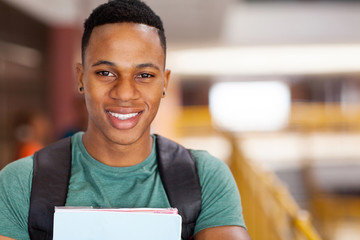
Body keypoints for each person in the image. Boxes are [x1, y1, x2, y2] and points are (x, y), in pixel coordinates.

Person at [0, 0, 251, 239]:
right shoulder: (22, 183)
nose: (124, 93)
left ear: (164, 82)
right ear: (80, 78)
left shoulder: (203, 176)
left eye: (144, 74)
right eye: (106, 73)